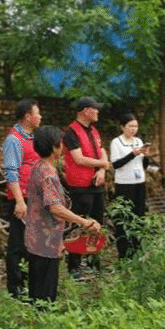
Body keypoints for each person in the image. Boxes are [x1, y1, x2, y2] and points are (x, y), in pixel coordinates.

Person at [25, 126, 101, 303]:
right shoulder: (47, 174)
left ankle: (35, 319)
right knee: (45, 292)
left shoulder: (38, 166)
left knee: (37, 285)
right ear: (54, 148)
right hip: (45, 240)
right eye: (60, 144)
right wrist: (83, 221)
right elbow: (55, 208)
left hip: (37, 236)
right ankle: (43, 320)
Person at [62, 97, 110, 279]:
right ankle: (74, 266)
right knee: (79, 225)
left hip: (96, 184)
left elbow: (102, 150)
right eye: (95, 109)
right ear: (85, 111)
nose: (98, 112)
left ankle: (94, 262)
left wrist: (102, 170)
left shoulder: (94, 131)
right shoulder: (70, 133)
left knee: (98, 224)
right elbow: (78, 159)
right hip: (80, 186)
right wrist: (103, 164)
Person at [2, 98, 42, 298]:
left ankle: (27, 283)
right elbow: (11, 171)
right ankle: (15, 288)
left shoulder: (30, 137)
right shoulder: (13, 139)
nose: (40, 116)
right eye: (38, 113)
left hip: (33, 198)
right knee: (18, 244)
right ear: (28, 116)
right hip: (22, 199)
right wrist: (19, 201)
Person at [110, 113, 150, 258]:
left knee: (139, 216)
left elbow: (143, 165)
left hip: (139, 182)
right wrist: (132, 154)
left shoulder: (138, 141)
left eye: (136, 126)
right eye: (130, 126)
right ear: (122, 127)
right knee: (124, 217)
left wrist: (145, 155)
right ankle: (124, 252)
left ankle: (138, 250)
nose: (134, 129)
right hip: (124, 184)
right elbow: (116, 164)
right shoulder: (116, 142)